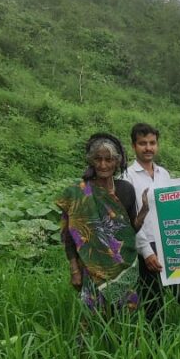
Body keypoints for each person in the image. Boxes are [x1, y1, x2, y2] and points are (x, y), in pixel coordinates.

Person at [56, 132, 149, 312]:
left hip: (124, 266)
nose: (103, 165)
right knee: (92, 318)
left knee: (126, 315)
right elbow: (70, 235)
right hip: (92, 268)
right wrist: (74, 269)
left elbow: (130, 230)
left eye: (109, 159)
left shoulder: (126, 190)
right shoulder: (80, 194)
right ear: (91, 160)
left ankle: (122, 341)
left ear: (117, 162)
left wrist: (144, 211)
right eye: (98, 159)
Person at [122, 122, 180, 320]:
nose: (148, 148)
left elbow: (173, 209)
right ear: (133, 146)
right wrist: (147, 252)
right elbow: (129, 218)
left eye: (152, 143)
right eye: (142, 143)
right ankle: (157, 344)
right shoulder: (126, 177)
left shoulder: (164, 174)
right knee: (153, 302)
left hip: (171, 242)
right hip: (146, 247)